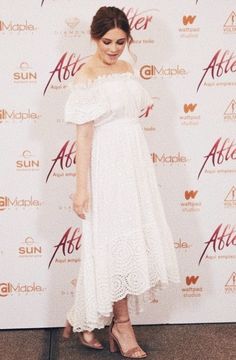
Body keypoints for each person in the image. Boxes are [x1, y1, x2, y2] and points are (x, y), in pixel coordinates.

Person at [63, 6, 179, 359]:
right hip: (107, 166)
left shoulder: (128, 69)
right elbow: (83, 138)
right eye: (107, 42)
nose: (114, 49)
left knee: (130, 239)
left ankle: (79, 317)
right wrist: (82, 188)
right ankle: (122, 325)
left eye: (120, 41)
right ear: (94, 38)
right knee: (113, 241)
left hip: (134, 163)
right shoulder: (85, 75)